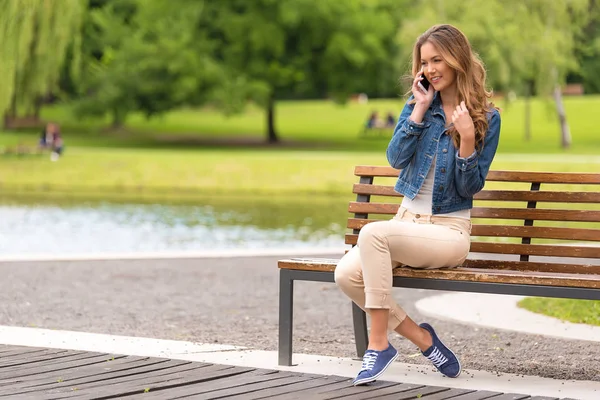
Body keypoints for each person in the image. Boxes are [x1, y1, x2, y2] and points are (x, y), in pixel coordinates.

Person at [335, 24, 501, 386]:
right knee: (346, 275)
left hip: (448, 231)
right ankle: (422, 339)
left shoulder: (487, 117)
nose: (429, 69)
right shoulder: (417, 106)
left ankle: (377, 344)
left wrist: (468, 140)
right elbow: (395, 158)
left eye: (437, 60)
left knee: (373, 234)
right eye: (424, 62)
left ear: (458, 59)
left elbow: (469, 186)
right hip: (407, 221)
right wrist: (419, 111)